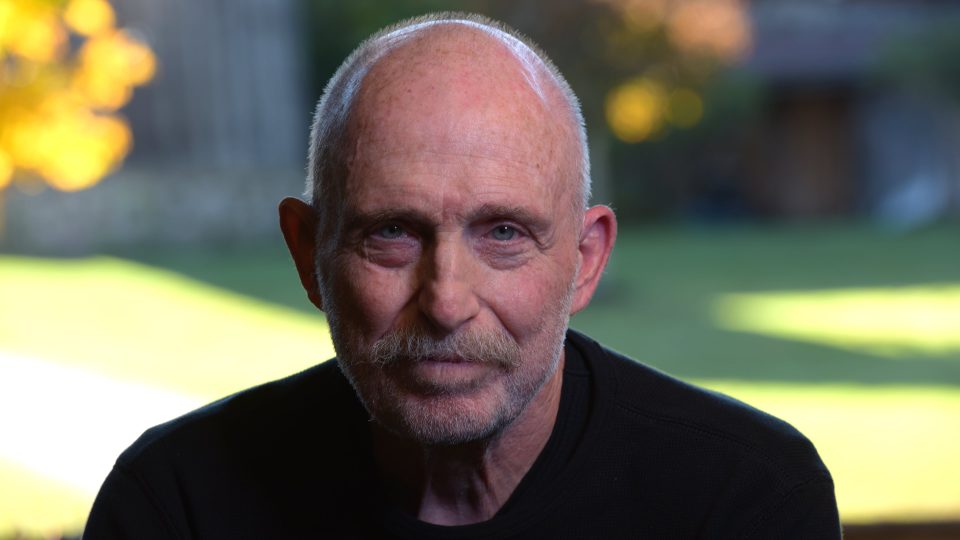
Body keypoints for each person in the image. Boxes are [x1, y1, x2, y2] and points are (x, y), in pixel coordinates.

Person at [84, 13, 841, 539]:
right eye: (392, 233)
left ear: (585, 261)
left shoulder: (744, 500)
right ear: (308, 252)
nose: (445, 302)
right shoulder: (177, 504)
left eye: (504, 233)